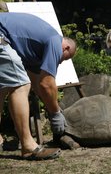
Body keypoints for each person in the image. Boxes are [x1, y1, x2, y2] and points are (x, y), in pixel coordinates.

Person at [0, 12, 77, 159]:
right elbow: (47, 83)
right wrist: (55, 113)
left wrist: (51, 106)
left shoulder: (34, 50)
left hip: (3, 35)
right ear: (66, 48)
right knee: (21, 86)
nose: (60, 62)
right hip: (1, 36)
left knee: (2, 88)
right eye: (65, 59)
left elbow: (38, 84)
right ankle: (29, 147)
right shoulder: (55, 40)